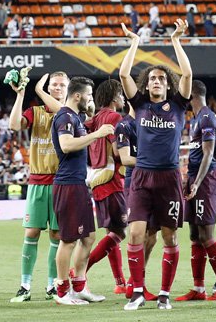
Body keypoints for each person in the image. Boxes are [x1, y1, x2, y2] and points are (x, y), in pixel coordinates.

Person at [118, 20, 192, 311]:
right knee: (135, 234)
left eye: (161, 78)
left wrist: (176, 40)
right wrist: (135, 42)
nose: (157, 82)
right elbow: (124, 73)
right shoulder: (140, 105)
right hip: (141, 177)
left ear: (167, 83)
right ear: (146, 84)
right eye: (152, 79)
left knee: (169, 237)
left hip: (170, 178)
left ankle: (164, 294)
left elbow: (187, 72)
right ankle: (137, 292)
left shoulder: (178, 106)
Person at [8, 72, 69, 302]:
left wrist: (39, 91)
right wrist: (21, 94)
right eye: (54, 84)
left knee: (56, 235)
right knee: (31, 232)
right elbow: (14, 125)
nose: (58, 88)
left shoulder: (70, 113)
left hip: (61, 181)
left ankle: (52, 286)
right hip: (37, 180)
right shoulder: (35, 112)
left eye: (63, 85)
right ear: (48, 86)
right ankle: (25, 285)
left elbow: (61, 110)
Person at [175, 80, 216, 302]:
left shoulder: (208, 116)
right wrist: (187, 178)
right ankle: (198, 289)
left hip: (207, 179)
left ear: (191, 93)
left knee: (206, 234)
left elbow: (210, 153)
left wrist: (197, 182)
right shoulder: (196, 118)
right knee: (194, 234)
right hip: (195, 178)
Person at [51, 77, 110, 305]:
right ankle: (62, 291)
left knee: (88, 237)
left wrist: (91, 112)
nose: (91, 99)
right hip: (68, 185)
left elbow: (82, 128)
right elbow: (66, 145)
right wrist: (97, 134)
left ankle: (80, 286)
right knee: (68, 240)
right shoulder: (65, 116)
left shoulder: (75, 116)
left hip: (78, 183)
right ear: (77, 96)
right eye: (89, 95)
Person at [83, 80, 128, 294]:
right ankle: (79, 270)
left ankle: (120, 283)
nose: (124, 98)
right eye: (121, 94)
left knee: (112, 233)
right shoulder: (114, 117)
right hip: (112, 181)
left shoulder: (95, 119)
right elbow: (119, 152)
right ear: (114, 96)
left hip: (97, 180)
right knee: (120, 232)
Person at [115, 112, 159, 301]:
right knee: (136, 233)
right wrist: (156, 163)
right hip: (135, 181)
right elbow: (125, 159)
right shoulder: (124, 125)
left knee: (152, 236)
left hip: (156, 181)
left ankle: (135, 282)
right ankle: (135, 284)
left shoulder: (154, 122)